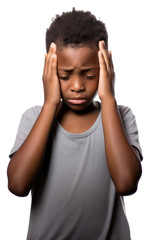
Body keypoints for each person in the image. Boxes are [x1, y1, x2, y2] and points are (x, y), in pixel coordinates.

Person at [7, 7, 143, 240]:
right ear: (49, 70)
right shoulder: (34, 118)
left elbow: (126, 183)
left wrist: (108, 98)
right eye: (65, 75)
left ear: (105, 69)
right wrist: (50, 104)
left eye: (89, 75)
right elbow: (18, 185)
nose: (77, 85)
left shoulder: (122, 116)